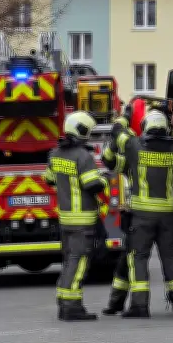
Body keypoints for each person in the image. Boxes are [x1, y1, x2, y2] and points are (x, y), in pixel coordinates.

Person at [101, 108, 173, 318]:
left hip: (142, 217)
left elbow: (118, 132)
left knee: (138, 258)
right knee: (172, 258)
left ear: (145, 127)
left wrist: (126, 115)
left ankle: (139, 306)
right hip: (168, 217)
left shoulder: (134, 147)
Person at [42, 111, 108, 322]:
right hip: (83, 219)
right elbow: (92, 185)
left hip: (66, 219)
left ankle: (64, 302)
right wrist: (104, 179)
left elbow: (49, 179)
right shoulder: (83, 156)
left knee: (69, 261)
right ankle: (72, 307)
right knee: (78, 263)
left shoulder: (55, 153)